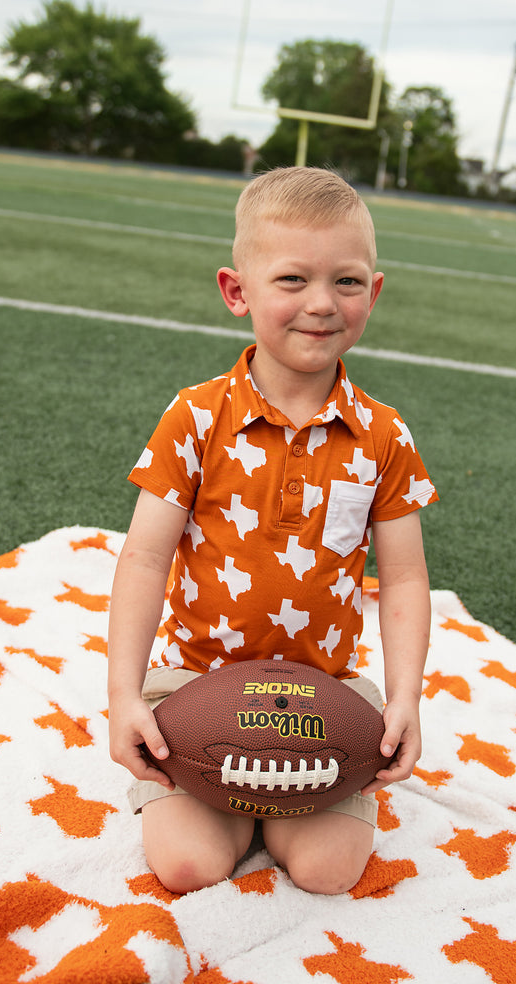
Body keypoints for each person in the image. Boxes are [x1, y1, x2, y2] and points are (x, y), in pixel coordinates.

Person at [108, 166, 437, 896]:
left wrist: (404, 697)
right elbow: (142, 560)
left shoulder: (384, 435)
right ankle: (223, 797)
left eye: (347, 282)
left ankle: (285, 809)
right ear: (238, 292)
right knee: (190, 865)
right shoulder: (195, 416)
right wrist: (125, 695)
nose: (321, 303)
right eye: (292, 279)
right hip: (196, 688)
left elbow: (407, 579)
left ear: (373, 292)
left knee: (327, 871)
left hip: (325, 698)